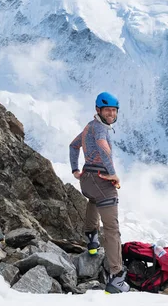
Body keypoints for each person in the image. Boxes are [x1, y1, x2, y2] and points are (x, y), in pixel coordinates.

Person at [69, 92, 130, 294]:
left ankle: (92, 239)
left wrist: (75, 170)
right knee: (112, 229)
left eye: (114, 110)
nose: (112, 114)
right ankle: (116, 277)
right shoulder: (101, 129)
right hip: (102, 180)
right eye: (108, 110)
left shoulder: (89, 126)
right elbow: (104, 149)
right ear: (98, 110)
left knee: (93, 201)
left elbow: (73, 145)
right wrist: (113, 175)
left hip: (87, 180)